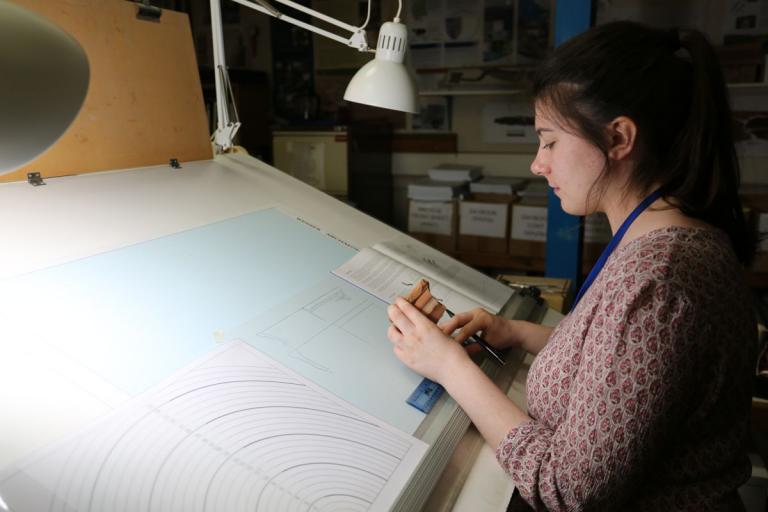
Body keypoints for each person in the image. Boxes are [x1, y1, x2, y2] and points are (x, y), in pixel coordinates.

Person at [387, 21, 758, 511]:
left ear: (619, 137)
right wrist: (516, 332)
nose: (537, 164)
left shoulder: (658, 278)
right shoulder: (666, 239)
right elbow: (628, 363)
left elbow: (567, 490)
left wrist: (449, 366)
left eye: (550, 141)